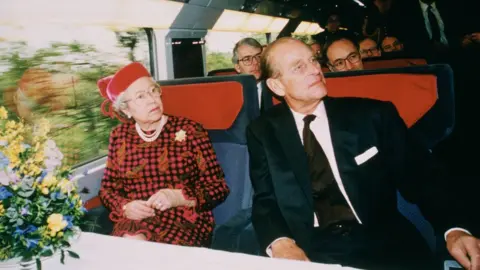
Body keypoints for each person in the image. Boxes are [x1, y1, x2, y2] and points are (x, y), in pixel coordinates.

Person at [248, 37, 480, 269]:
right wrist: (280, 242)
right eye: (299, 67)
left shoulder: (372, 116)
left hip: (382, 243)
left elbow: (422, 176)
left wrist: (454, 228)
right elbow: (265, 200)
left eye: (313, 60)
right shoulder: (263, 132)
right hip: (310, 248)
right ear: (277, 86)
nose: (316, 69)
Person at [98, 62, 230, 247]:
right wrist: (126, 207)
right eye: (141, 96)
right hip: (137, 221)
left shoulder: (190, 130)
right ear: (126, 109)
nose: (152, 100)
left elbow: (218, 187)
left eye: (153, 91)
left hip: (184, 219)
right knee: (132, 243)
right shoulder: (119, 137)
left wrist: (179, 197)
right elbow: (107, 190)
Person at [233, 38, 274, 112]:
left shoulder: (276, 88)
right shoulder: (231, 95)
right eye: (247, 59)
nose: (255, 62)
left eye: (259, 57)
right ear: (238, 68)